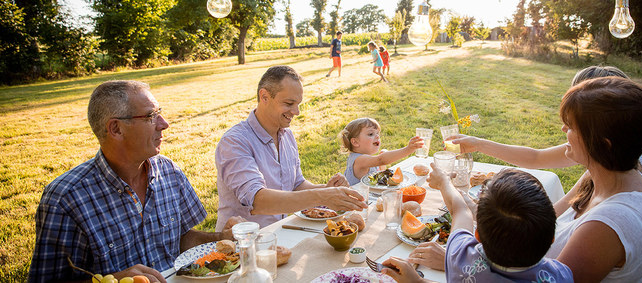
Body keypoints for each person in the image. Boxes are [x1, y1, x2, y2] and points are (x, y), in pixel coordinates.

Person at [446, 66, 642, 281]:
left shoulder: (608, 226)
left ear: (602, 144)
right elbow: (548, 211)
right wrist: (489, 216)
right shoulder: (607, 170)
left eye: (571, 126)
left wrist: (466, 262)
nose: (563, 130)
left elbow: (542, 278)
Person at [28, 81, 236, 283]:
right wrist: (113, 280)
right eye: (150, 116)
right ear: (116, 129)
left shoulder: (168, 171)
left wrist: (221, 238)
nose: (164, 124)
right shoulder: (65, 199)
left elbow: (180, 239)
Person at [215, 66, 367, 230]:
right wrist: (322, 196)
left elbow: (296, 184)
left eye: (298, 104)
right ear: (264, 96)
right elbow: (257, 201)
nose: (297, 112)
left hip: (279, 234)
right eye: (289, 103)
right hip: (241, 246)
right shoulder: (234, 142)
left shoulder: (286, 135)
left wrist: (331, 191)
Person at [382, 167, 573, 283]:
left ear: (477, 236)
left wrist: (444, 182)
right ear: (551, 239)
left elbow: (460, 210)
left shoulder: (462, 257)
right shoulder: (562, 275)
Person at [340, 118, 423, 186]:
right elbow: (381, 159)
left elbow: (378, 173)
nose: (377, 136)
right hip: (355, 202)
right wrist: (407, 149)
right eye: (370, 134)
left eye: (378, 133)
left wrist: (382, 166)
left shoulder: (368, 160)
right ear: (355, 142)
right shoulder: (359, 160)